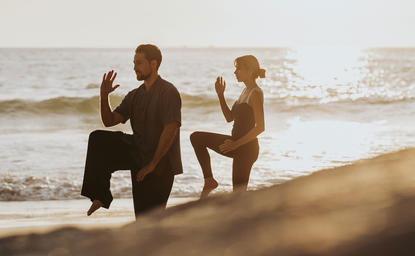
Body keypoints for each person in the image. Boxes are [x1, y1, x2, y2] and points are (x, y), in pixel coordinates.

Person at [81, 44, 182, 218]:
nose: (134, 67)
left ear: (154, 64)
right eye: (134, 63)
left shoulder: (168, 91)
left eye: (139, 63)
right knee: (98, 138)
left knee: (149, 220)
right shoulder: (134, 95)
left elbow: (170, 130)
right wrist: (104, 97)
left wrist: (152, 164)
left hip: (161, 166)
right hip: (139, 156)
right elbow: (109, 121)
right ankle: (100, 195)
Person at [190, 55, 265, 198]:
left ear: (249, 71)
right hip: (234, 143)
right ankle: (209, 180)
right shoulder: (245, 91)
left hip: (247, 149)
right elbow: (229, 118)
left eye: (238, 69)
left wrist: (236, 144)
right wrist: (220, 95)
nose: (235, 72)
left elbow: (260, 127)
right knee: (196, 138)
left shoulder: (255, 93)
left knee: (238, 194)